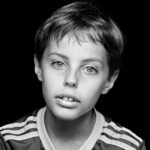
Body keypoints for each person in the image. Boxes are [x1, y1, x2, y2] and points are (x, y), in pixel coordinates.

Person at [0, 1, 146, 150]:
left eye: (89, 69)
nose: (71, 80)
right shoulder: (7, 141)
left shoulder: (129, 147)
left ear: (109, 80)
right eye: (58, 63)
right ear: (38, 66)